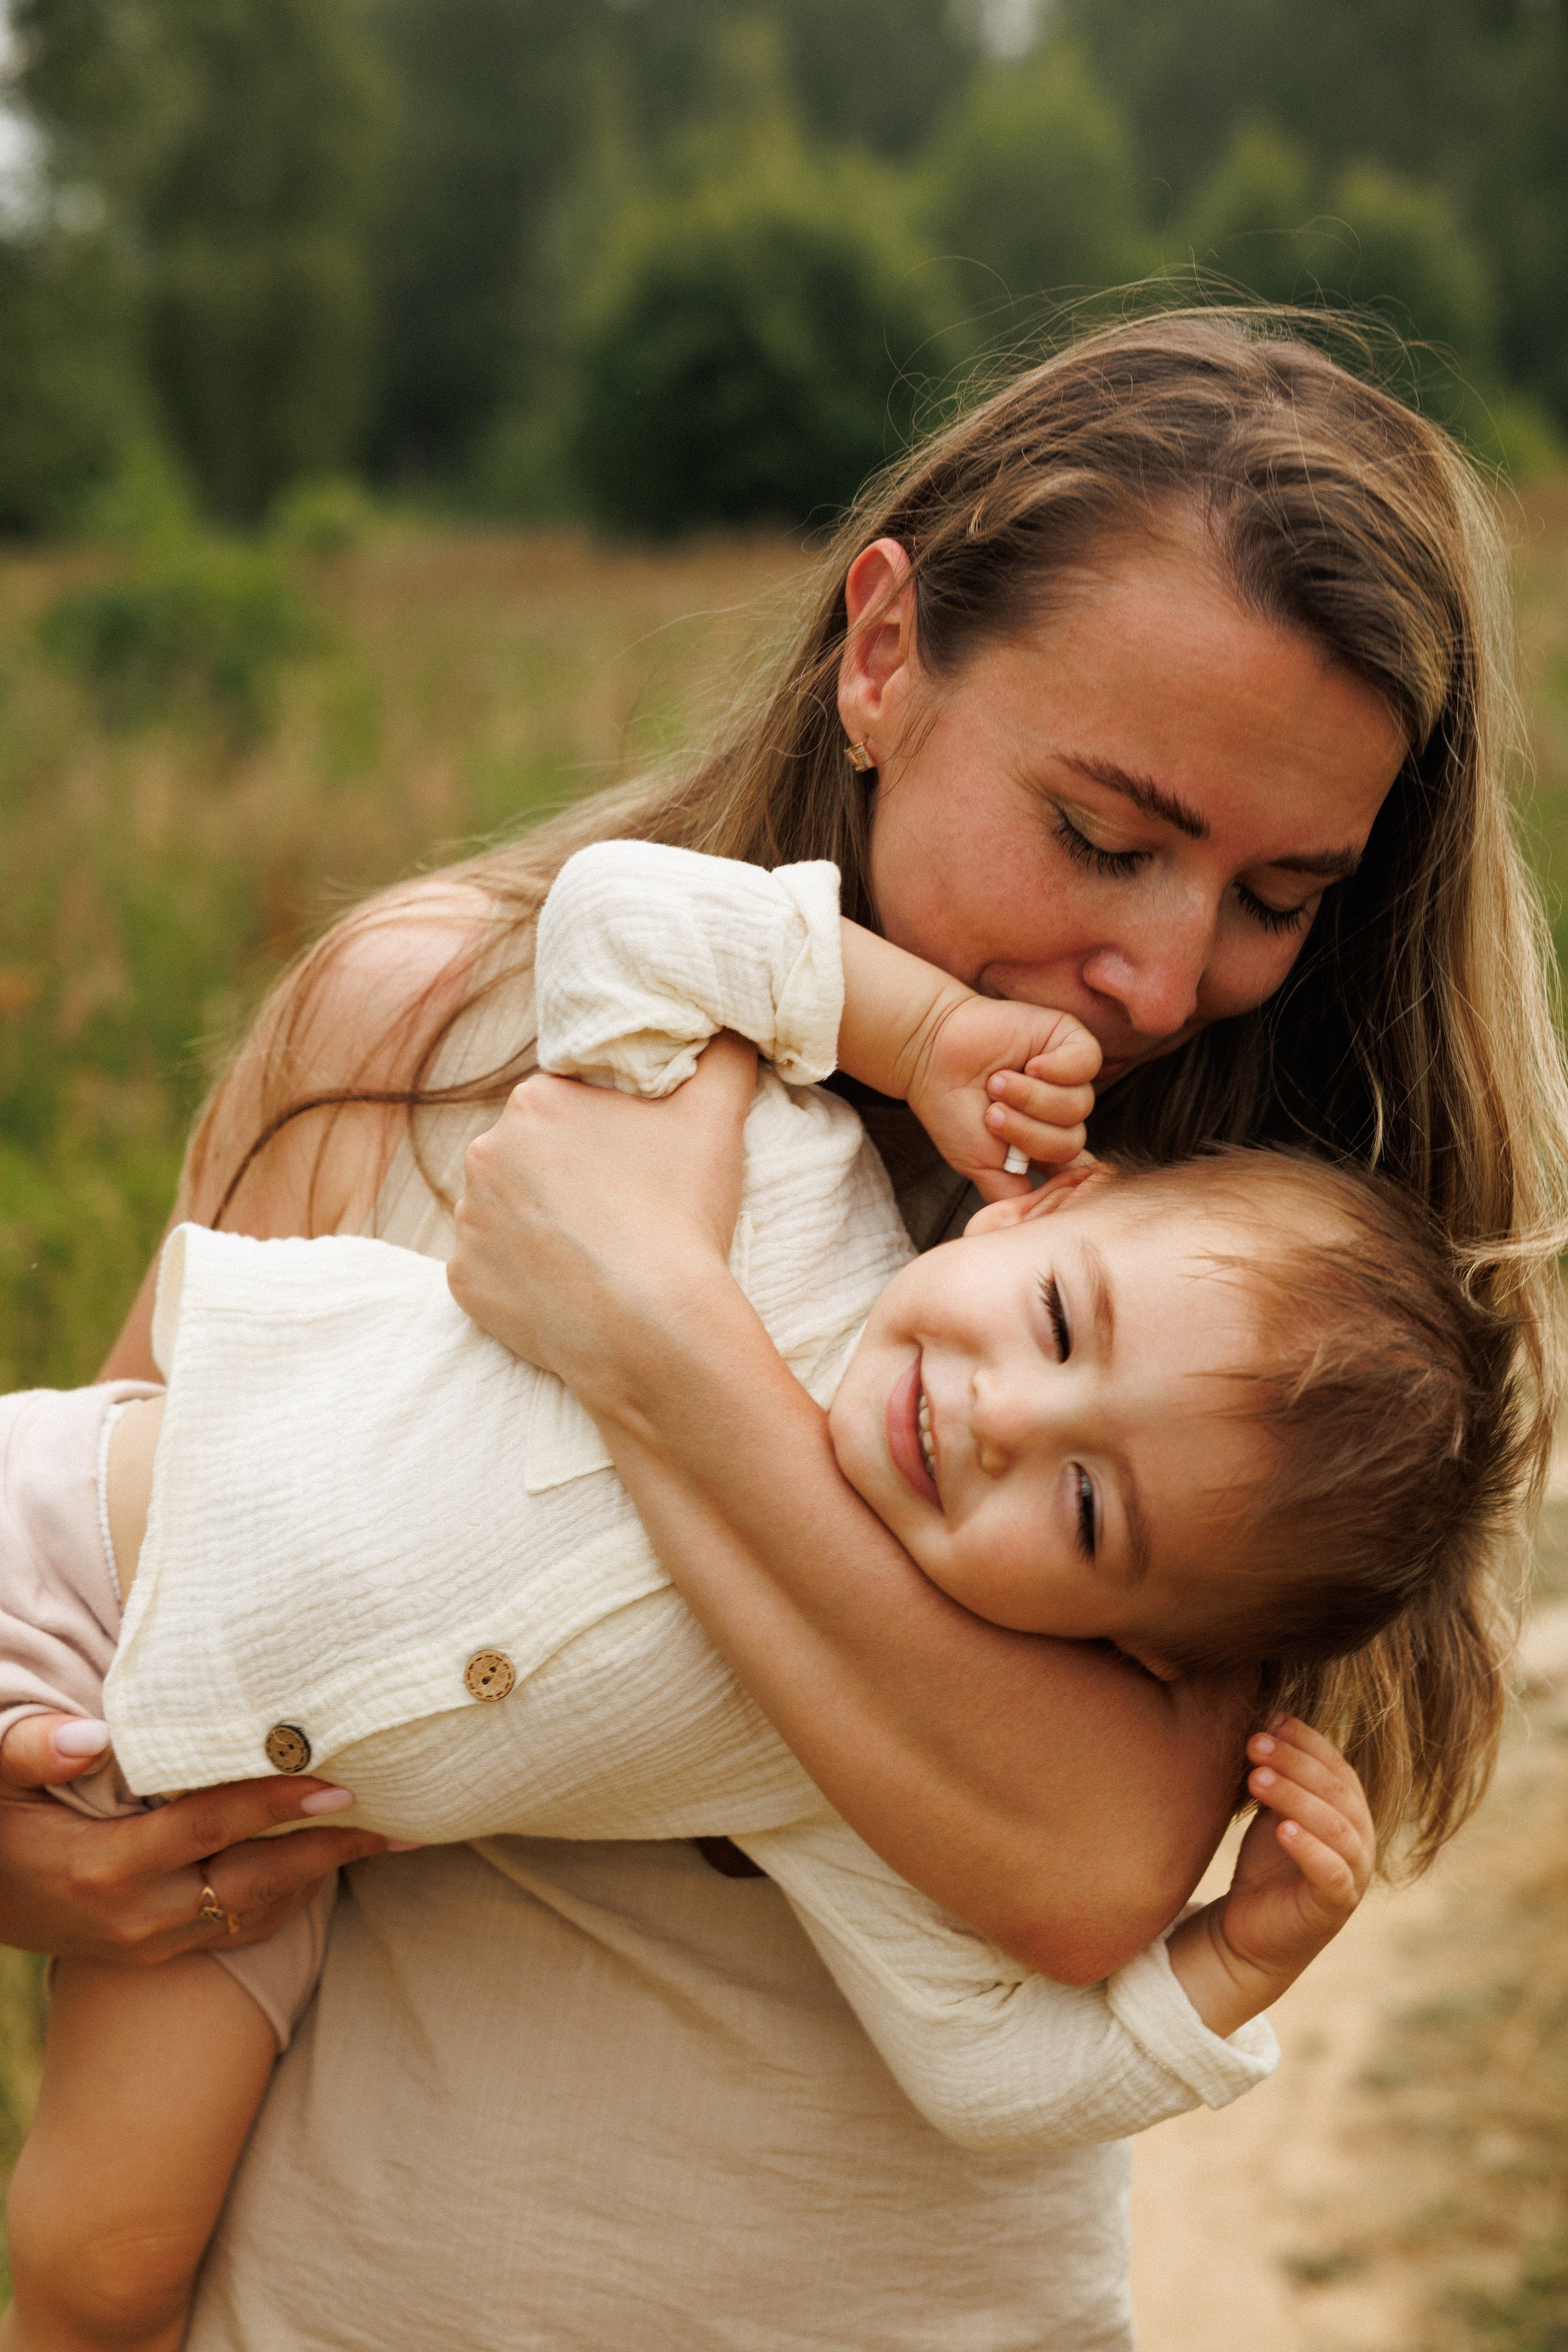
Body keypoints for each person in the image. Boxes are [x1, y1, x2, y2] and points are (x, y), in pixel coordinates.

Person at [3, 309, 1564, 2351]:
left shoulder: (1234, 1287)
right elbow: (134, 1556)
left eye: (1281, 897)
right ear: (884, 652)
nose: (1169, 976)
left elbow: (1090, 1863)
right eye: (1105, 836)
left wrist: (648, 1322)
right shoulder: (430, 1030)